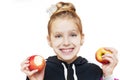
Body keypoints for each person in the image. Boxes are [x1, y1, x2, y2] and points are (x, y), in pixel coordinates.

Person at [21, 2, 119, 80]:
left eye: (72, 35)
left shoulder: (94, 71)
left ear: (82, 38)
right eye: (58, 36)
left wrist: (108, 75)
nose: (66, 42)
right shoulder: (41, 71)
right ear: (49, 40)